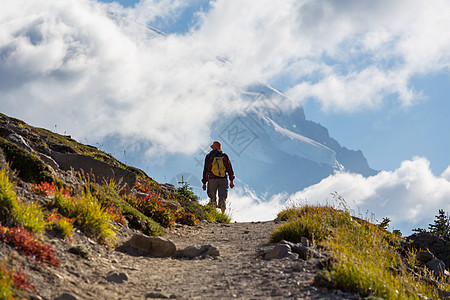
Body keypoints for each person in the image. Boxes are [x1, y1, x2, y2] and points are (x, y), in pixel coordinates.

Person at [202, 141, 235, 213]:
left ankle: (213, 213)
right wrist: (231, 181)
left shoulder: (209, 156)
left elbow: (206, 170)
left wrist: (204, 183)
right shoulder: (224, 156)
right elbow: (229, 169)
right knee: (222, 197)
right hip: (223, 179)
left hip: (212, 180)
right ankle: (223, 213)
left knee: (212, 197)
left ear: (214, 147)